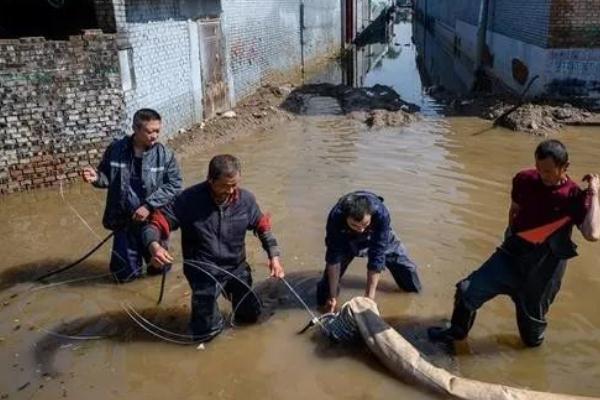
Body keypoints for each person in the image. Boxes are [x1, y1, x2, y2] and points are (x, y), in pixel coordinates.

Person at [428, 139, 599, 347]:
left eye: (547, 171)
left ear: (565, 167)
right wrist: (511, 239)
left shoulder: (574, 196)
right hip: (512, 254)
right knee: (467, 290)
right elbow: (514, 209)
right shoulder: (524, 179)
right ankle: (456, 334)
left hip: (544, 268)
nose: (541, 175)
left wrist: (594, 192)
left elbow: (592, 233)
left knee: (531, 336)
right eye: (538, 168)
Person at [143, 154, 285, 341]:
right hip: (203, 272)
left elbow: (263, 227)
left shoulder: (245, 200)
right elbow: (154, 224)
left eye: (235, 185)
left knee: (251, 317)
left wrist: (274, 257)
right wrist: (154, 246)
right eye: (226, 186)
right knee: (205, 334)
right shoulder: (188, 200)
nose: (232, 191)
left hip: (236, 268)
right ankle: (206, 323)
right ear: (210, 180)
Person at [82, 108, 182, 282]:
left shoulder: (165, 155)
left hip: (153, 220)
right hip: (124, 221)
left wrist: (149, 205)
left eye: (157, 130)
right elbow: (106, 176)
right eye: (149, 131)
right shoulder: (116, 149)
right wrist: (96, 177)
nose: (154, 136)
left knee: (159, 269)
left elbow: (174, 185)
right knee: (123, 276)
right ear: (136, 129)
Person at [317, 191, 422, 313]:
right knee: (325, 292)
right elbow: (333, 258)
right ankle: (325, 306)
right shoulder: (336, 217)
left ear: (371, 215)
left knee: (408, 273)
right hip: (346, 237)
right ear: (346, 217)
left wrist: (369, 299)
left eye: (365, 224)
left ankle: (416, 296)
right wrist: (332, 295)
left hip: (375, 234)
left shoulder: (381, 214)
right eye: (355, 225)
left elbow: (377, 257)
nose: (361, 230)